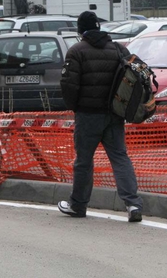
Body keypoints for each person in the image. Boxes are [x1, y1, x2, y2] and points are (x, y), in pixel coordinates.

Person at [58, 11, 143, 222]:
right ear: (99, 27)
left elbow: (69, 86)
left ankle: (78, 205)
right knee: (120, 158)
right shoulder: (118, 49)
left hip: (87, 116)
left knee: (84, 161)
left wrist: (75, 107)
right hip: (114, 115)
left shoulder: (77, 51)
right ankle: (133, 204)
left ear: (80, 30)